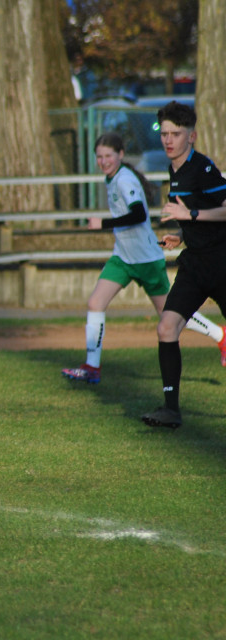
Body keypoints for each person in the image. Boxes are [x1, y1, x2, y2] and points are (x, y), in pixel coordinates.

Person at [62, 132, 226, 385]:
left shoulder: (124, 180)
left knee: (169, 314)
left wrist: (103, 223)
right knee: (96, 303)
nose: (103, 161)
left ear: (120, 155)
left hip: (146, 259)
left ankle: (220, 335)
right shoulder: (112, 177)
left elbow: (139, 215)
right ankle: (92, 367)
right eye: (99, 157)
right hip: (123, 258)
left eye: (108, 156)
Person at [141, 101, 226, 429]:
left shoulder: (203, 168)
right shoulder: (173, 169)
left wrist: (189, 215)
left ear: (191, 136)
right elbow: (194, 214)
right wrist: (180, 233)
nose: (168, 140)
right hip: (195, 264)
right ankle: (170, 410)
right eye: (164, 134)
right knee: (166, 327)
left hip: (221, 262)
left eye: (175, 134)